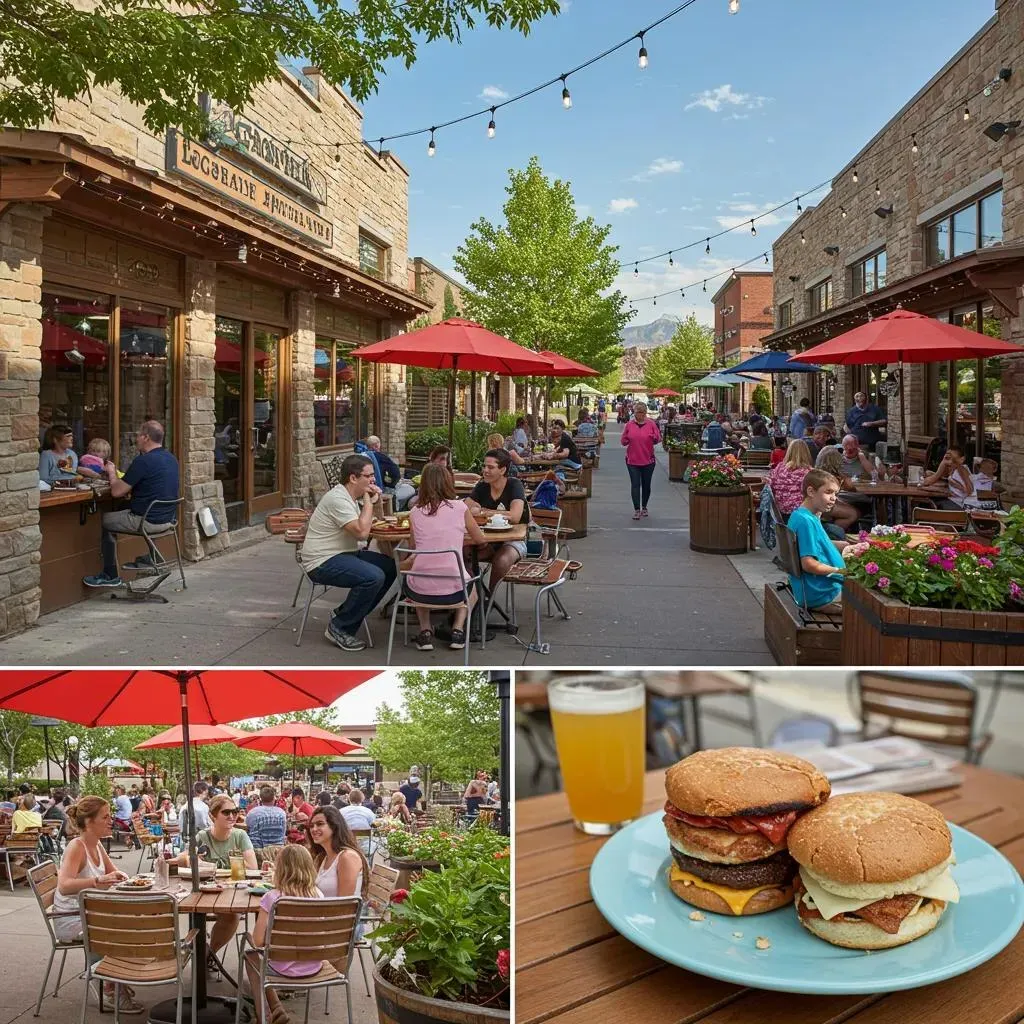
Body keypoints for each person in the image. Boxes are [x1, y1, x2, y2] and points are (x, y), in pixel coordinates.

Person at [299, 453, 397, 653]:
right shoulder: (338, 499)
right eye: (368, 476)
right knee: (374, 577)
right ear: (353, 478)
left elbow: (372, 523)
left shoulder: (350, 497)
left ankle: (344, 613)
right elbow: (362, 533)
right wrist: (369, 502)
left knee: (389, 567)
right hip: (322, 561)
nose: (373, 480)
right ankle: (340, 627)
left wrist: (374, 501)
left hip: (344, 553)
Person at [53, 797, 143, 1014]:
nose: (111, 820)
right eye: (105, 817)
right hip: (72, 917)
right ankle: (104, 980)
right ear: (89, 821)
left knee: (137, 922)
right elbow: (64, 886)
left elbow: (116, 873)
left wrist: (124, 878)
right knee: (123, 928)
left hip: (91, 912)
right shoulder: (77, 846)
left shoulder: (97, 844)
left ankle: (110, 977)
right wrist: (97, 881)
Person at [83, 420, 180, 588]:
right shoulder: (171, 458)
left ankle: (110, 575)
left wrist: (112, 472)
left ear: (146, 437)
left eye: (138, 436)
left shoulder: (143, 461)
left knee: (106, 520)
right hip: (168, 520)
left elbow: (116, 492)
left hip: (147, 521)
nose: (136, 439)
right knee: (121, 509)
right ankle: (152, 557)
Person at [404, 462, 489, 652]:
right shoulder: (460, 508)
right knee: (473, 587)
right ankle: (458, 630)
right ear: (448, 483)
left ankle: (425, 631)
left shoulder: (415, 512)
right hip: (455, 589)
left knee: (419, 572)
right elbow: (480, 539)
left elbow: (413, 546)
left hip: (419, 589)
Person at [244, 844, 325, 1024]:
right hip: (314, 965)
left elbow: (258, 942)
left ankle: (263, 1015)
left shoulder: (272, 898)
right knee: (260, 958)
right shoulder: (319, 895)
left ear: (279, 869)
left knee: (251, 956)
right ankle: (277, 1009)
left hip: (282, 968)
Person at [178, 794, 257, 957]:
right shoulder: (202, 837)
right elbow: (183, 859)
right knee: (197, 913)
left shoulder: (239, 836)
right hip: (205, 892)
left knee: (232, 916)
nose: (232, 816)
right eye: (226, 812)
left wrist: (234, 859)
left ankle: (209, 954)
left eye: (234, 812)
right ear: (213, 816)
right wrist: (192, 859)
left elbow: (253, 868)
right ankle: (201, 953)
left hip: (233, 892)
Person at [464, 448, 529, 589]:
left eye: (490, 467)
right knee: (461, 553)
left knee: (502, 560)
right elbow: (464, 509)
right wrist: (474, 508)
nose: (485, 470)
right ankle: (472, 595)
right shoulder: (482, 486)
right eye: (484, 466)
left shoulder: (514, 485)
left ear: (502, 470)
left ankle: (489, 600)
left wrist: (482, 511)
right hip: (486, 541)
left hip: (514, 540)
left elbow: (515, 517)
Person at [786, 470, 848, 612]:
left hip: (817, 590)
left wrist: (846, 547)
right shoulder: (806, 522)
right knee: (871, 601)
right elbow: (809, 564)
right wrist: (841, 571)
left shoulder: (804, 515)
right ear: (811, 492)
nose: (834, 498)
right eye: (828, 492)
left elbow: (816, 543)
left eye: (835, 494)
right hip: (822, 594)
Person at [620, 401, 661, 521]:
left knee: (646, 485)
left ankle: (645, 507)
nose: (641, 414)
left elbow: (658, 438)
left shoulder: (651, 424)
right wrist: (627, 439)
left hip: (648, 460)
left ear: (646, 412)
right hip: (632, 460)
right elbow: (623, 441)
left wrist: (654, 438)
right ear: (634, 412)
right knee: (635, 485)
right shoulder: (629, 425)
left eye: (643, 412)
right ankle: (637, 509)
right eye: (638, 412)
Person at [816, 447, 861, 532]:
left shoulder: (815, 473)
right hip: (826, 506)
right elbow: (850, 487)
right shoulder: (835, 477)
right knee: (853, 514)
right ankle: (832, 533)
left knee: (853, 509)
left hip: (817, 504)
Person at [768, 440, 813, 517]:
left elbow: (771, 486)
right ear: (806, 453)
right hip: (802, 514)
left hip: (780, 513)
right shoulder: (809, 473)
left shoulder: (779, 468)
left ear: (789, 451)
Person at [247, 785, 287, 849]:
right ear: (274, 798)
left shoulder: (252, 813)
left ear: (260, 799)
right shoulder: (282, 813)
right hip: (277, 850)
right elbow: (283, 833)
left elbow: (248, 829)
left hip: (257, 851)